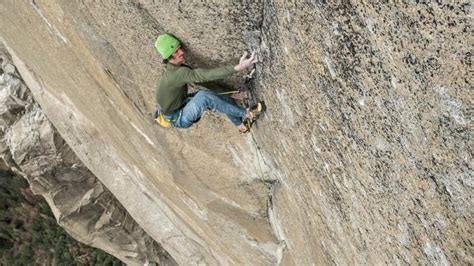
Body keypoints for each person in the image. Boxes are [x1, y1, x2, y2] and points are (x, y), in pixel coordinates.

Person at [154, 33, 262, 133]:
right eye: (176, 52)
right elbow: (206, 75)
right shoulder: (178, 73)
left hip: (181, 105)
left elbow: (204, 81)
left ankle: (241, 127)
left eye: (180, 48)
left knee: (220, 96)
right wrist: (237, 67)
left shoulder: (177, 68)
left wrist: (230, 93)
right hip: (178, 118)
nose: (182, 52)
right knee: (204, 97)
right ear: (169, 57)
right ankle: (248, 113)